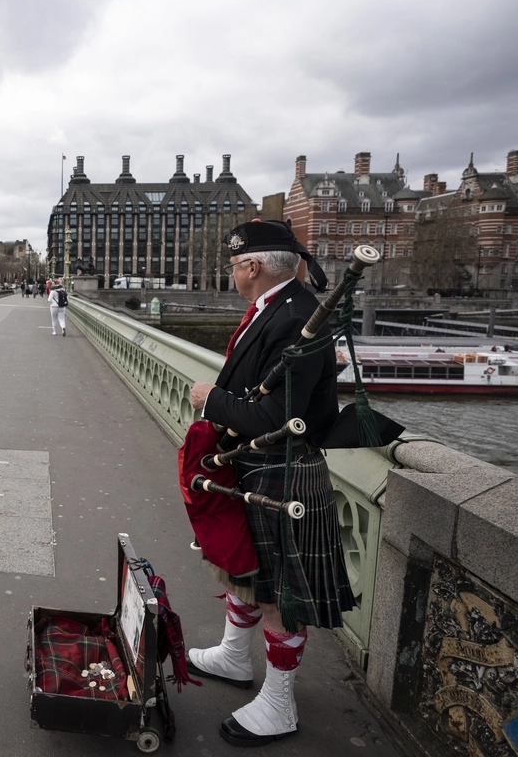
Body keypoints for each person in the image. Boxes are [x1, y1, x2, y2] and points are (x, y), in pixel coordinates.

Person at [186, 219, 354, 748]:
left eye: (234, 265)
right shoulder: (280, 308)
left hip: (286, 470)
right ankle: (236, 657)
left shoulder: (297, 317)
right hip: (256, 467)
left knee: (283, 594)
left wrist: (210, 399)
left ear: (252, 266)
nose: (232, 273)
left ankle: (280, 703)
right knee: (247, 570)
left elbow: (278, 417)